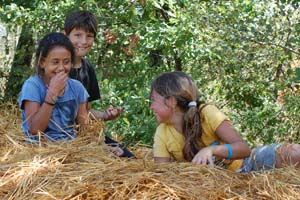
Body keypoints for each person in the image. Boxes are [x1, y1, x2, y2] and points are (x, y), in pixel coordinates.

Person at [150, 71, 300, 172]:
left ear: (171, 102)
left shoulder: (207, 113)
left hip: (246, 166)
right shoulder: (162, 133)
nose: (151, 106)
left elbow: (244, 149)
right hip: (215, 186)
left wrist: (211, 150)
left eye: (154, 100)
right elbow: (163, 174)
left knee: (294, 153)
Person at [63, 10, 134, 157]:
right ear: (66, 35)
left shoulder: (87, 68)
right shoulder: (58, 67)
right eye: (77, 35)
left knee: (128, 158)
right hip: (61, 137)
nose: (83, 41)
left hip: (85, 134)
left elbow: (86, 111)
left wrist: (105, 115)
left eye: (89, 36)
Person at [19, 32, 89, 142]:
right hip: (39, 150)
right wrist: (52, 93)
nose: (61, 68)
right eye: (55, 62)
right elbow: (35, 130)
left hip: (71, 149)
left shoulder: (77, 88)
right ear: (42, 62)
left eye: (66, 62)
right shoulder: (32, 86)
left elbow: (84, 129)